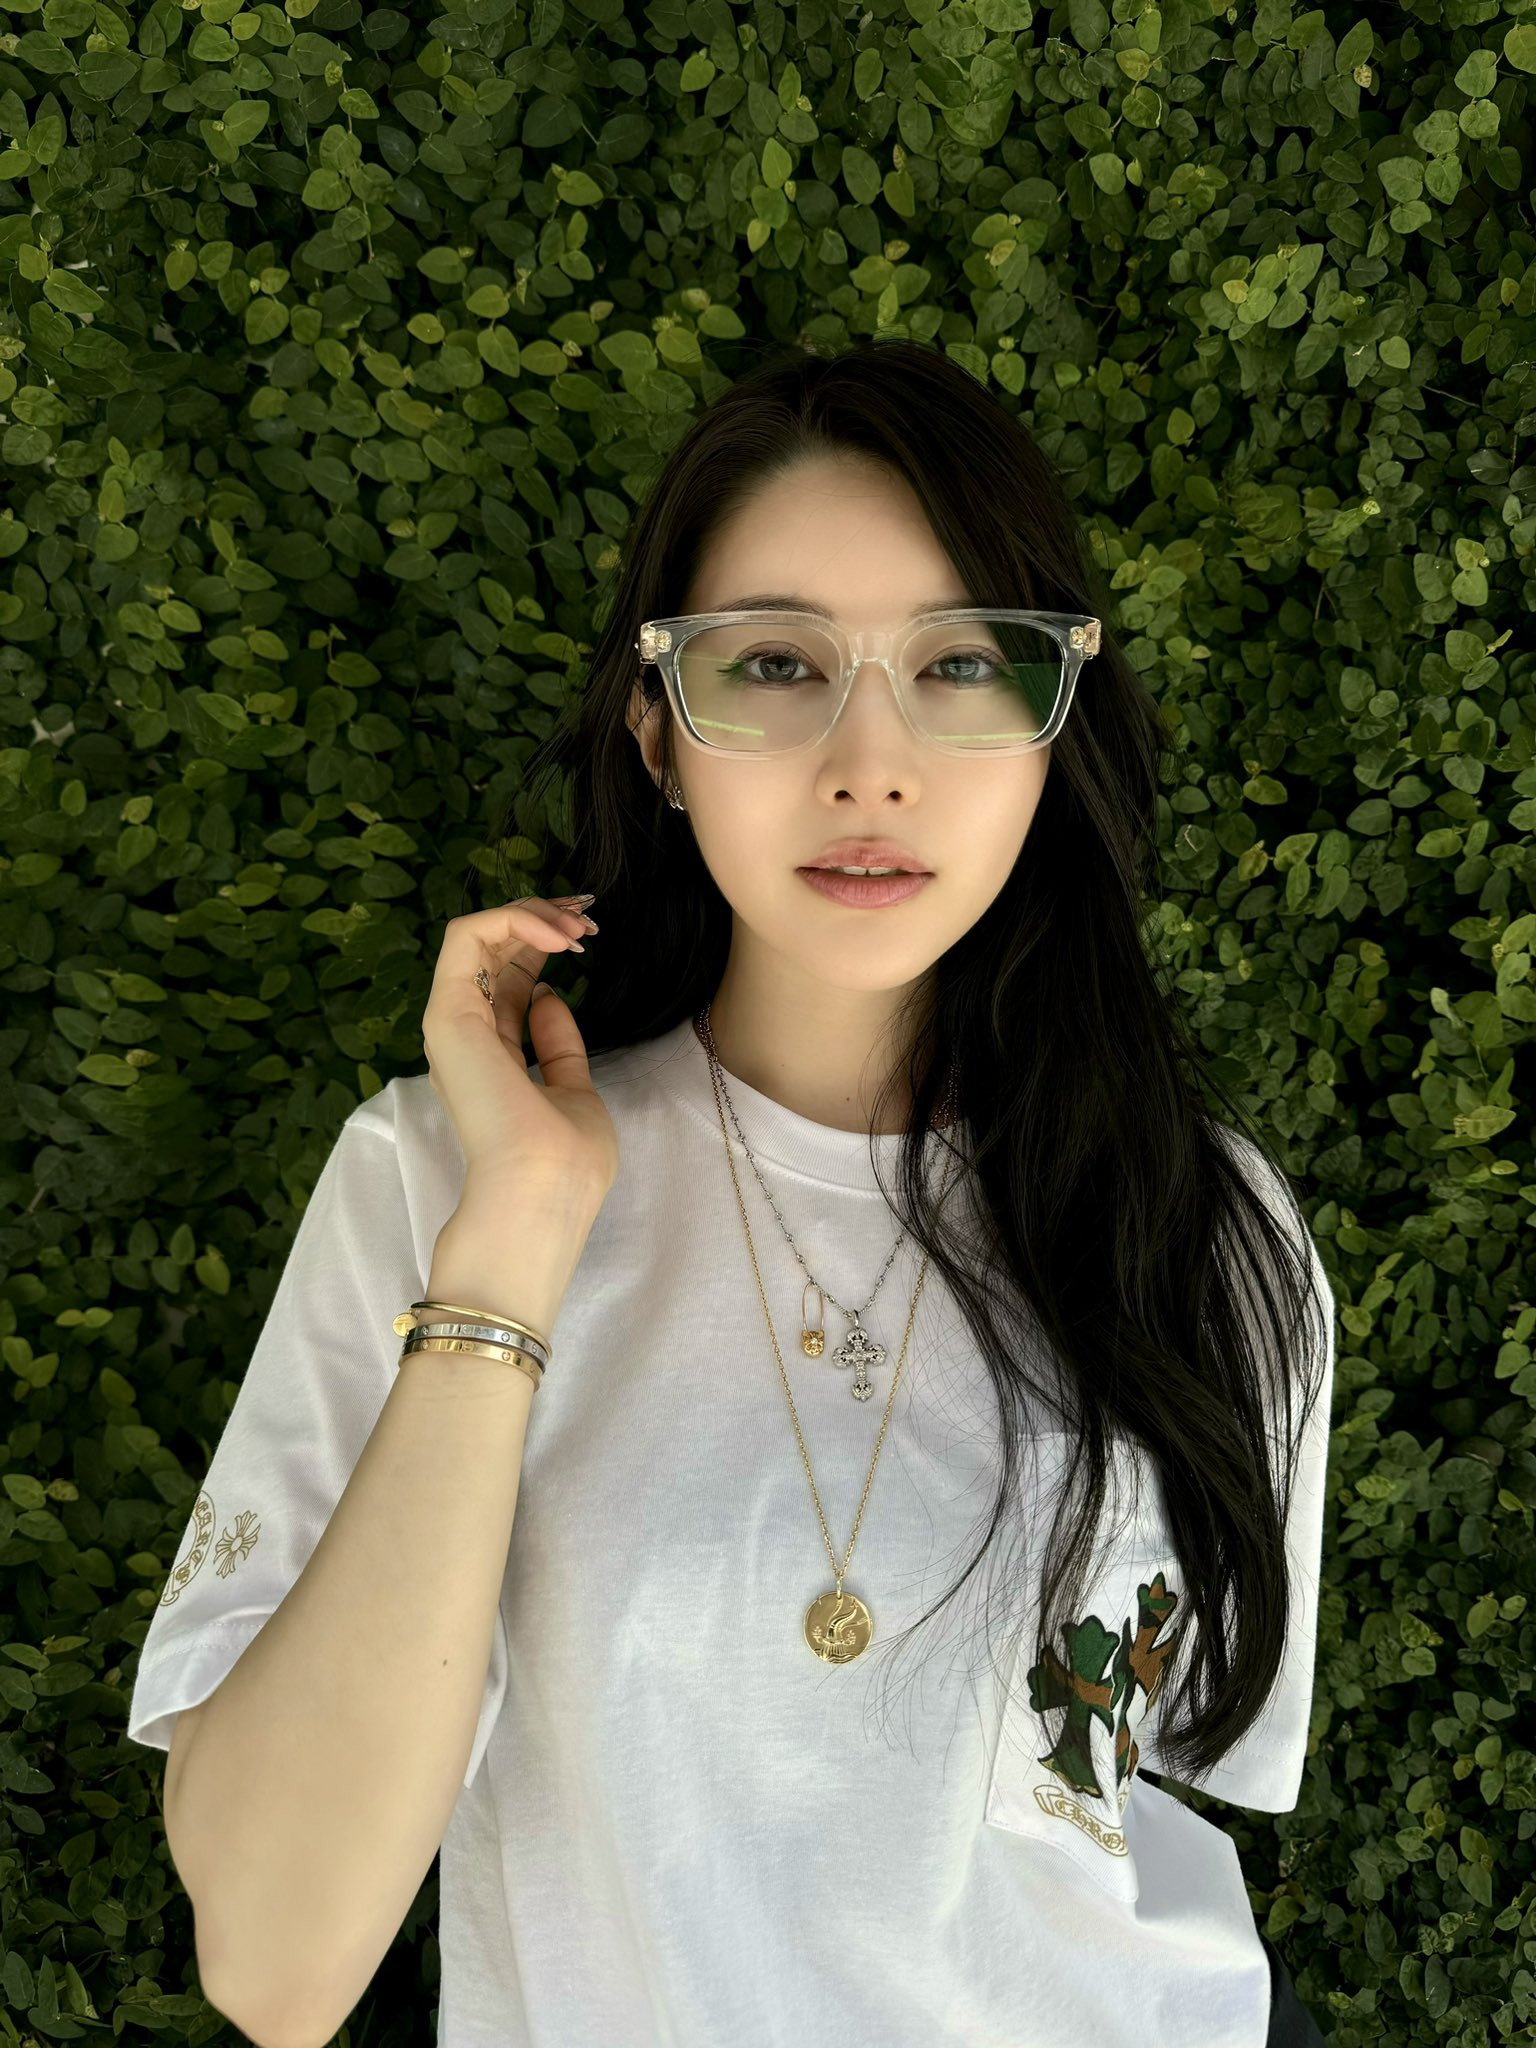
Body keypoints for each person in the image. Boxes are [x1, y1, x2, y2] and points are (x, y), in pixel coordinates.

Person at [128, 337, 1335, 2047]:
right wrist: (515, 1246)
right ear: (659, 733)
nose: (871, 762)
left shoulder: (1205, 1228)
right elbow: (277, 1966)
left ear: (1051, 721)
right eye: (774, 663)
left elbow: (1138, 1813)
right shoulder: (438, 1181)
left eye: (960, 664)